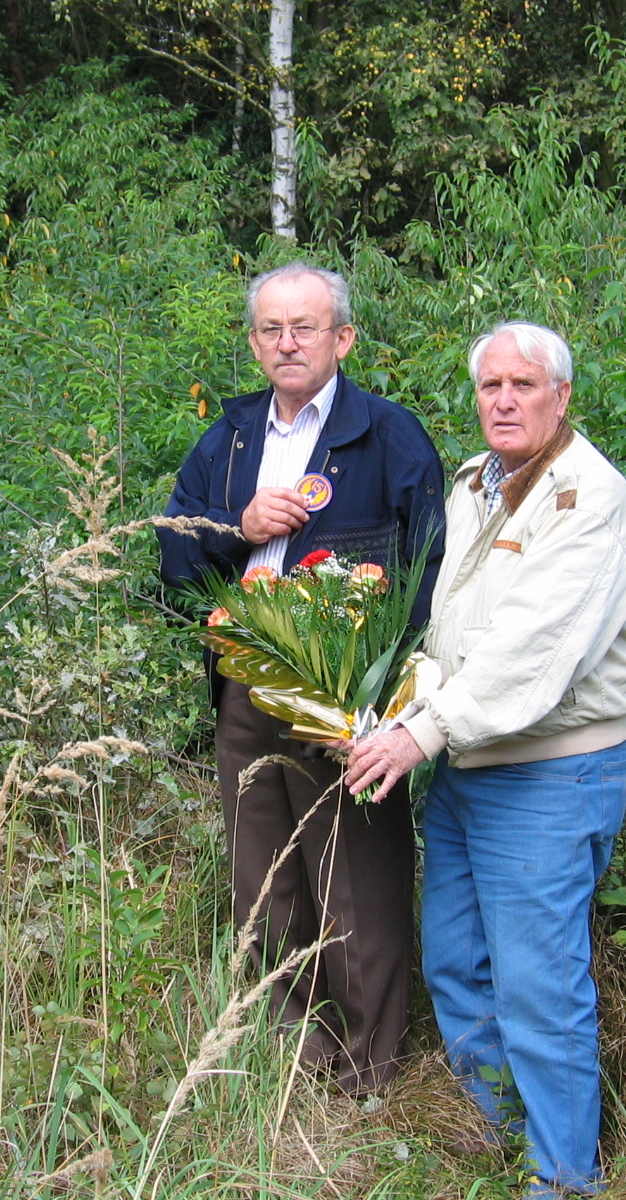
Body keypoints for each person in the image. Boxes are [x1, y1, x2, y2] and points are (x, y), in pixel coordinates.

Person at [345, 322, 626, 1195]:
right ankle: (504, 1132)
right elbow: (452, 632)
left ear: (562, 397)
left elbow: (534, 655)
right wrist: (390, 712)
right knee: (453, 962)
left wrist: (418, 735)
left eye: (524, 385)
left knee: (540, 991)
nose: (505, 401)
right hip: (467, 769)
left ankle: (564, 1178)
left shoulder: (590, 500)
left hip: (550, 775)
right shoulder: (478, 480)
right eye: (490, 387)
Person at [157, 262, 445, 1096]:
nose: (288, 343)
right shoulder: (232, 439)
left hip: (344, 697)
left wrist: (398, 700)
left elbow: (433, 574)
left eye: (306, 327)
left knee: (355, 885)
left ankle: (367, 1073)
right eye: (272, 330)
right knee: (267, 881)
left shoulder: (388, 434)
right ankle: (295, 1058)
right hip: (247, 688)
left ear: (343, 338)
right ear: (253, 344)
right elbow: (171, 558)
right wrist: (234, 528)